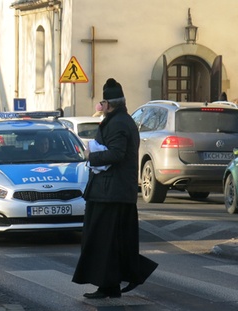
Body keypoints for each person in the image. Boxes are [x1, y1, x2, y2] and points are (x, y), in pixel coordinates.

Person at [72, 78, 158, 299]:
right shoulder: (119, 120)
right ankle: (110, 285)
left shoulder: (119, 123)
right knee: (112, 242)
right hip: (111, 193)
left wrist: (92, 156)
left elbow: (116, 154)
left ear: (108, 104)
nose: (101, 107)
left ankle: (113, 282)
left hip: (111, 194)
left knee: (104, 241)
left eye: (102, 102)